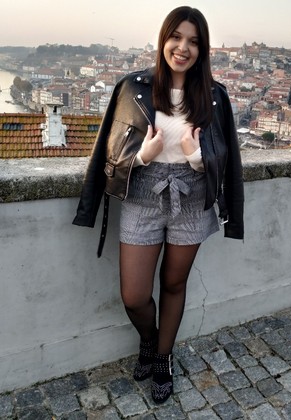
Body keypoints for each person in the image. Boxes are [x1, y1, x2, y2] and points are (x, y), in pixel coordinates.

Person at [73, 6, 244, 404]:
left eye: (194, 42)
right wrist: (143, 157)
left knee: (173, 283)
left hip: (192, 197)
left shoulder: (215, 96)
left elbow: (226, 159)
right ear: (163, 39)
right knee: (134, 296)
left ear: (203, 50)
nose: (183, 48)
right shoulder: (132, 87)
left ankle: (163, 357)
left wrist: (196, 158)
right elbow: (109, 153)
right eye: (176, 37)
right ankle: (149, 340)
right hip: (142, 195)